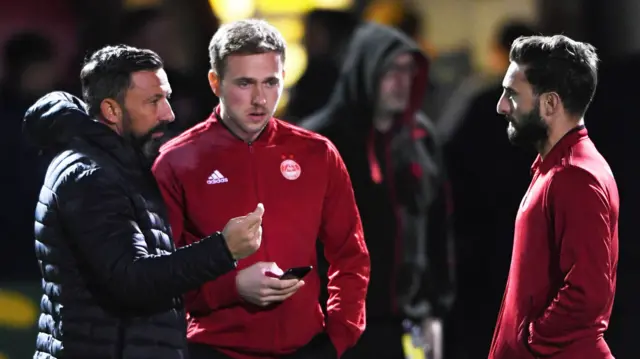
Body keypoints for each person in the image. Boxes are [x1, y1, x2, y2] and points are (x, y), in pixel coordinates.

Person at [23, 45, 264, 359]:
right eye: (154, 101)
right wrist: (223, 249)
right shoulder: (91, 177)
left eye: (166, 97)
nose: (169, 114)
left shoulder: (122, 168)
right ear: (111, 110)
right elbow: (132, 279)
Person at [152, 19, 370, 359]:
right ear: (215, 82)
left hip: (308, 348)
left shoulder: (317, 153)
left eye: (271, 82)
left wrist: (340, 333)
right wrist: (232, 287)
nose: (259, 99)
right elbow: (157, 276)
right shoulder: (176, 161)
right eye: (244, 83)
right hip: (212, 351)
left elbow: (350, 253)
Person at [299, 22, 455, 359]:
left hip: (409, 322)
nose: (402, 82)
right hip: (336, 325)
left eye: (408, 71)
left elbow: (437, 230)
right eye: (391, 70)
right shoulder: (320, 143)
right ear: (366, 70)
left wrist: (435, 312)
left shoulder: (420, 139)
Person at [488, 35, 619, 359]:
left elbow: (587, 294)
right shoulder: (559, 169)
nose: (501, 106)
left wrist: (531, 343)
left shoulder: (574, 176)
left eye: (512, 95)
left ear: (550, 104)